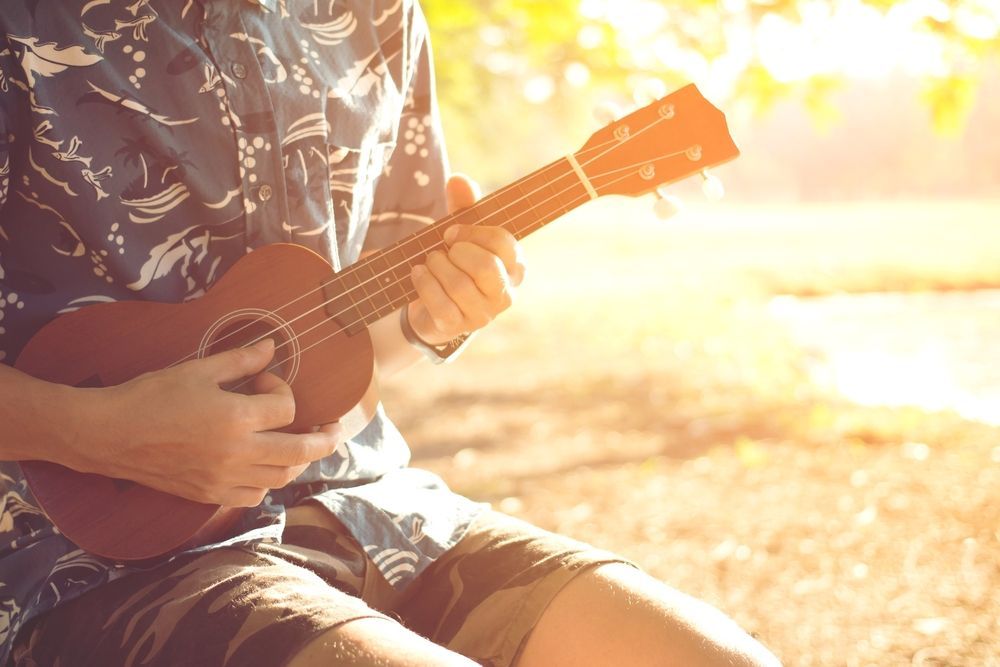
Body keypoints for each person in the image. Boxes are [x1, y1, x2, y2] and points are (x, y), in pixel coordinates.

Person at [0, 1, 780, 665]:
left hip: (368, 502)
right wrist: (94, 432)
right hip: (85, 556)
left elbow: (362, 338)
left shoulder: (376, 15)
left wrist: (432, 314)